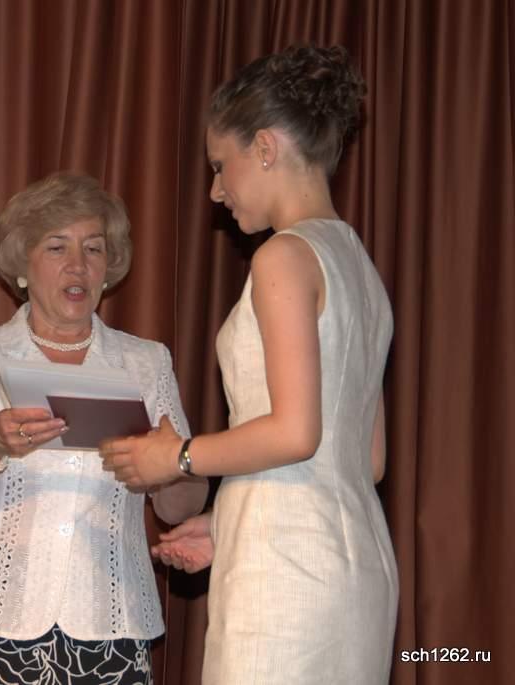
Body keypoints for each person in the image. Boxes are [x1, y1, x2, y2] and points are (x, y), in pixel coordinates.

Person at [99, 45, 398, 683]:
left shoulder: (283, 257)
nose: (215, 191)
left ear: (264, 148)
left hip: (289, 574)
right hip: (357, 568)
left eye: (219, 165)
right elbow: (364, 459)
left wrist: (176, 457)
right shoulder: (360, 268)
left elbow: (295, 433)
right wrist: (230, 519)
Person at [0, 172, 208, 685]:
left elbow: (178, 507)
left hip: (109, 631)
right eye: (57, 247)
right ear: (22, 266)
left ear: (108, 267)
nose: (78, 265)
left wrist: (170, 462)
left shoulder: (147, 364)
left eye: (93, 248)